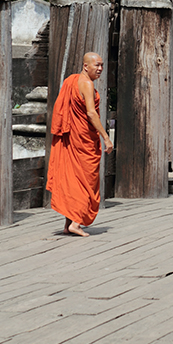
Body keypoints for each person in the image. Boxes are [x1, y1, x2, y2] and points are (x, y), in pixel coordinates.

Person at [47, 52, 113, 237]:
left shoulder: (71, 80)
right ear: (85, 66)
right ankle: (76, 223)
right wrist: (105, 137)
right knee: (86, 181)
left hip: (76, 138)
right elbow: (91, 114)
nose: (100, 69)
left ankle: (69, 223)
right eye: (96, 66)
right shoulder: (86, 83)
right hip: (82, 139)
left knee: (74, 179)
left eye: (102, 65)